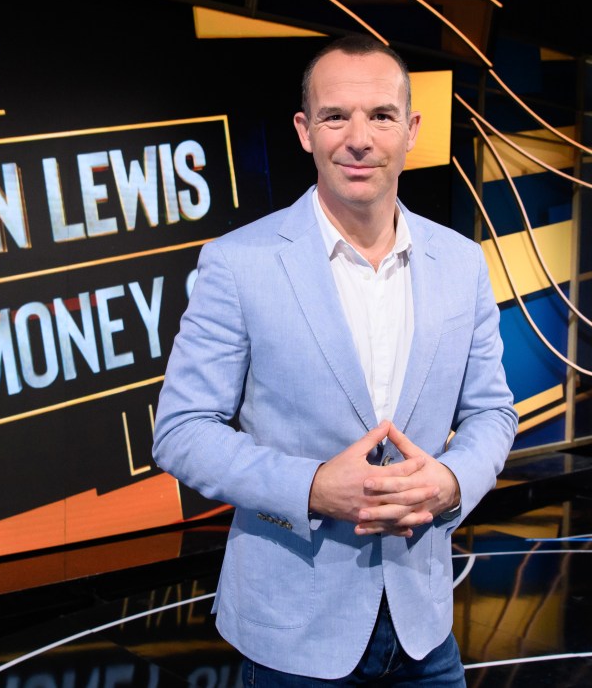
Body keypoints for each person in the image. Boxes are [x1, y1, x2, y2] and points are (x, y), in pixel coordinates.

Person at [151, 34, 517, 686]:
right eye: (334, 116)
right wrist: (313, 488)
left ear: (412, 130)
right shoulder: (239, 264)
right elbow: (181, 433)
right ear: (304, 131)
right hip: (294, 632)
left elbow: (491, 410)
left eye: (380, 115)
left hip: (424, 627)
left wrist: (453, 481)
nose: (358, 138)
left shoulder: (461, 263)